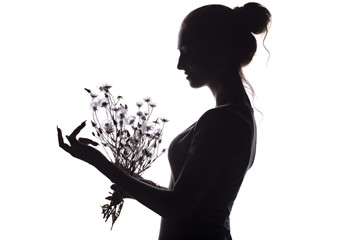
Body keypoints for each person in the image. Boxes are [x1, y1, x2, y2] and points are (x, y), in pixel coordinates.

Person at [58, 2, 271, 240]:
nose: (180, 65)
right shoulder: (236, 116)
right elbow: (193, 202)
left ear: (222, 51)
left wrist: (100, 163)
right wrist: (132, 181)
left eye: (187, 51)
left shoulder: (222, 121)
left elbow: (177, 207)